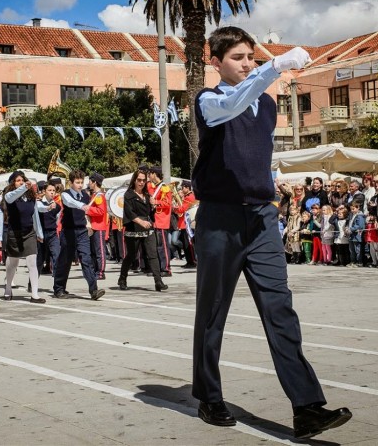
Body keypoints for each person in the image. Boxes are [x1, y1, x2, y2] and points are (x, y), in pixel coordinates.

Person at [191, 26, 350, 439]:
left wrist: (272, 195)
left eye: (252, 57)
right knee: (212, 314)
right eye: (237, 58)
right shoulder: (208, 100)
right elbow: (231, 107)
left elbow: (255, 155)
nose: (247, 64)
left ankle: (308, 407)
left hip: (261, 219)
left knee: (281, 309)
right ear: (215, 61)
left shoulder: (265, 102)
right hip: (220, 220)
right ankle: (209, 396)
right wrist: (275, 67)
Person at [55, 169, 105, 301]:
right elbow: (69, 203)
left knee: (86, 259)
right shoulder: (65, 194)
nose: (80, 185)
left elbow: (88, 213)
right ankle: (59, 288)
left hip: (82, 231)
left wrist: (88, 224)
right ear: (71, 182)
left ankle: (93, 290)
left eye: (82, 182)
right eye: (77, 182)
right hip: (68, 231)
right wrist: (82, 206)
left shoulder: (85, 195)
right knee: (65, 260)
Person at [117, 168, 168, 292]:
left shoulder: (147, 195)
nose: (141, 183)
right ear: (134, 180)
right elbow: (129, 212)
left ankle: (158, 281)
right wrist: (141, 222)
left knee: (153, 255)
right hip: (133, 227)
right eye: (139, 180)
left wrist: (153, 205)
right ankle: (122, 279)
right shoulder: (128, 194)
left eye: (144, 180)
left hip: (147, 227)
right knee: (131, 255)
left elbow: (150, 212)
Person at [0, 171, 44, 303]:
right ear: (13, 183)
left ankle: (35, 294)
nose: (21, 182)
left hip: (29, 232)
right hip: (14, 233)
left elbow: (35, 215)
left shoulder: (31, 198)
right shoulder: (9, 196)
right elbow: (10, 197)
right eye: (18, 180)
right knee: (12, 263)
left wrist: (39, 233)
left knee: (32, 263)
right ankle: (8, 287)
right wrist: (23, 187)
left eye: (22, 180)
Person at [86, 172, 109, 281]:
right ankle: (96, 270)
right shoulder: (94, 195)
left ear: (94, 182)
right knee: (94, 251)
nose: (89, 183)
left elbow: (100, 211)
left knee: (100, 250)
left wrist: (88, 209)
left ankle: (100, 271)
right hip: (94, 226)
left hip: (99, 226)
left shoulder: (99, 196)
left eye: (90, 181)